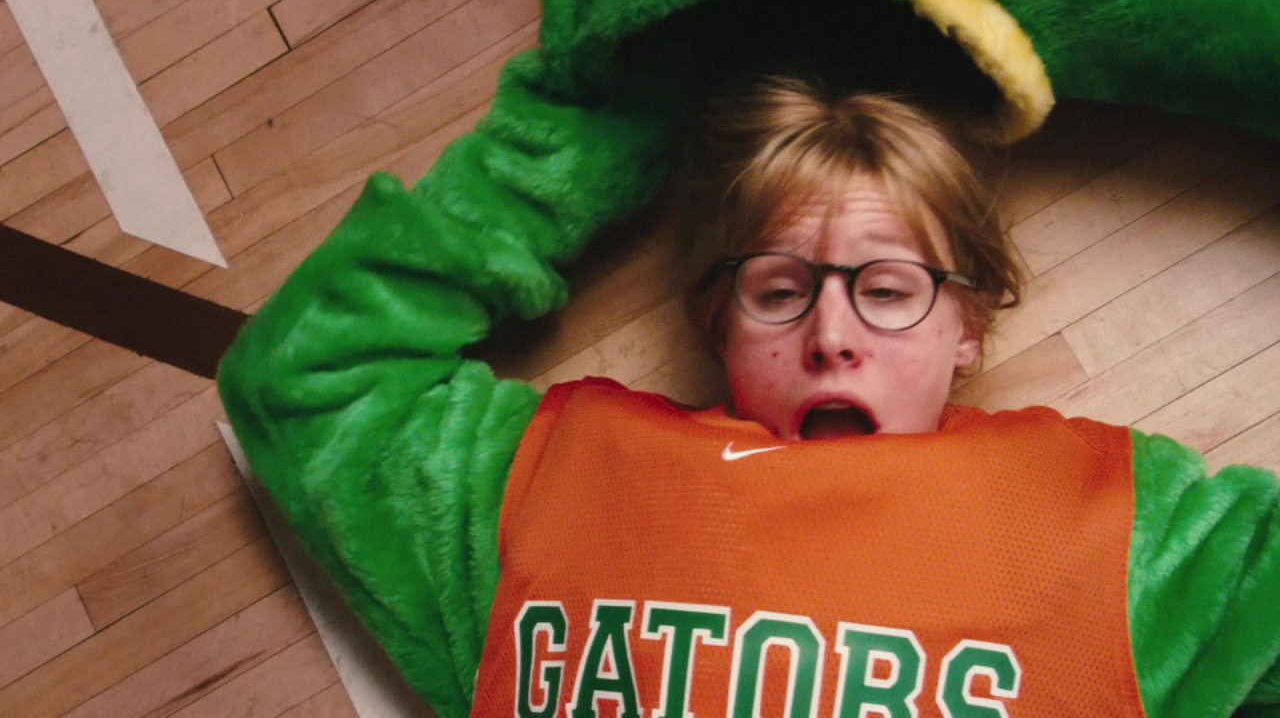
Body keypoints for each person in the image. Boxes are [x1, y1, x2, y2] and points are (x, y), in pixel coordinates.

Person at [217, 77, 1280, 718]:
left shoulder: (1109, 524)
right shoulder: (560, 471)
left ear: (967, 325)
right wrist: (592, 123)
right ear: (716, 322)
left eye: (886, 291)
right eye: (778, 291)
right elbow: (304, 378)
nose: (831, 334)